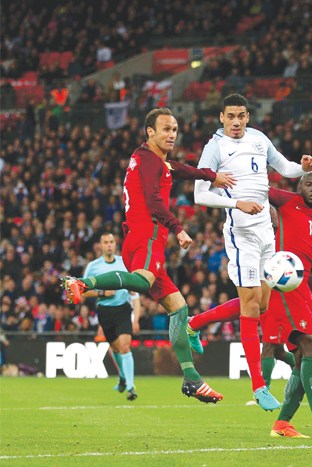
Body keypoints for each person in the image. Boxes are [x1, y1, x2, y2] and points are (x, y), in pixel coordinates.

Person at [62, 107, 235, 403]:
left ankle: (192, 379)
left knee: (179, 308)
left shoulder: (149, 159)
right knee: (141, 283)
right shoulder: (150, 160)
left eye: (175, 129)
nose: (172, 134)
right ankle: (82, 283)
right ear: (150, 132)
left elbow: (183, 170)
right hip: (149, 234)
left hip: (136, 238)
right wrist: (177, 227)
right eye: (166, 129)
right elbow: (155, 200)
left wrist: (212, 176)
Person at [188, 171, 312, 438]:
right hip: (282, 281)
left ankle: (282, 424)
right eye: (309, 184)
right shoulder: (287, 200)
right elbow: (258, 187)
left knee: (304, 358)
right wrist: (219, 177)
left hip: (301, 286)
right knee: (309, 346)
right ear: (300, 187)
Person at [190, 93, 312, 412]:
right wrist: (237, 203)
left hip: (265, 231)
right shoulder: (214, 147)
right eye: (231, 116)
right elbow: (199, 194)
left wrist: (302, 168)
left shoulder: (259, 139)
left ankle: (195, 323)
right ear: (221, 117)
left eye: (242, 116)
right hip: (241, 234)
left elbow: (285, 167)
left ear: (248, 117)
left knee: (262, 304)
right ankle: (259, 386)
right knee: (250, 307)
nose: (236, 121)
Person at [82, 233, 141, 400]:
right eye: (105, 242)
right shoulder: (93, 266)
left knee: (125, 347)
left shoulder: (124, 263)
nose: (109, 245)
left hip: (123, 310)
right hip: (105, 312)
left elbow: (134, 291)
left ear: (116, 244)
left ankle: (131, 387)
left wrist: (135, 318)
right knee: (115, 348)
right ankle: (123, 376)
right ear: (100, 246)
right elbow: (82, 291)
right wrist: (102, 293)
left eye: (112, 242)